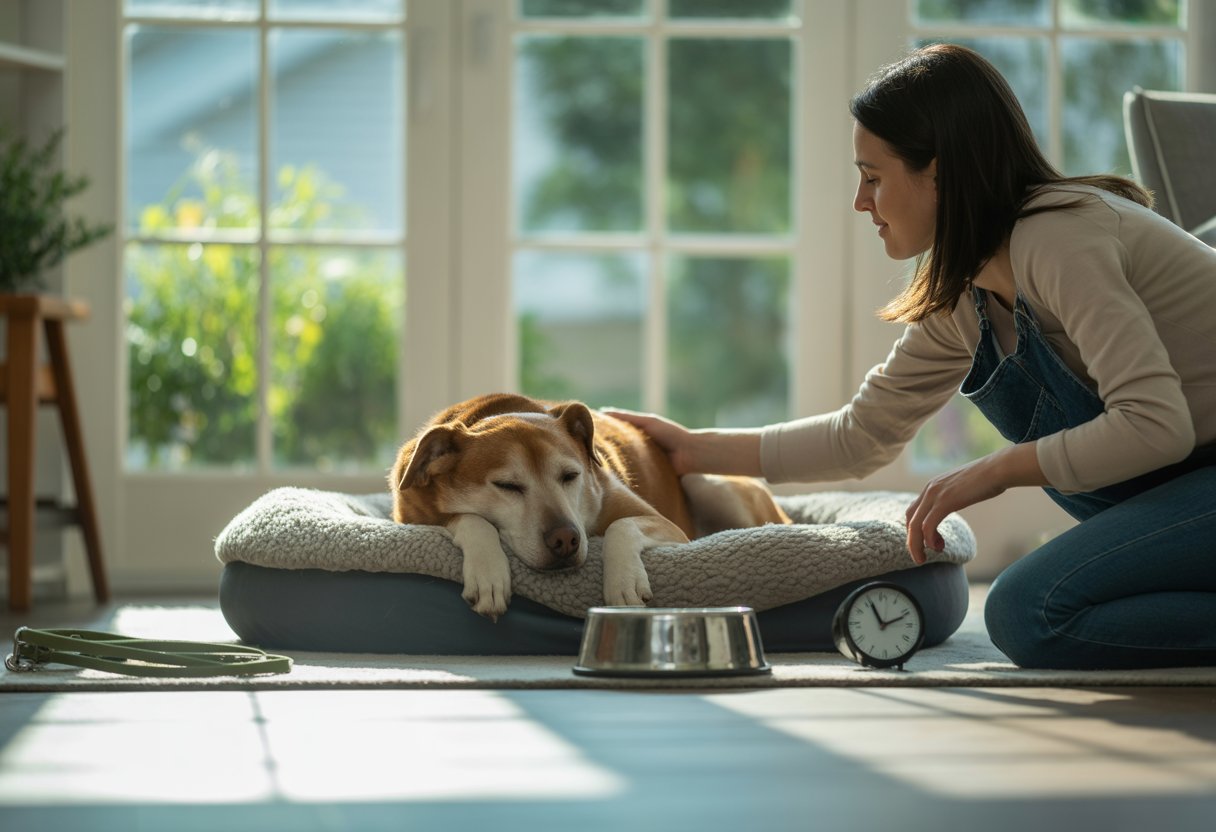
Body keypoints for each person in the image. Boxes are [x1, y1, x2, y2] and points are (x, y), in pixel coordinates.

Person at [608, 43, 1216, 671]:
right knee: (1034, 608)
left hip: (1193, 472)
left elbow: (1155, 424)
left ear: (941, 173)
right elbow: (862, 435)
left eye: (873, 177)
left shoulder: (1059, 237)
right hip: (1180, 485)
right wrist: (691, 451)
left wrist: (994, 470)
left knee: (1027, 611)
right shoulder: (964, 289)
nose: (859, 201)